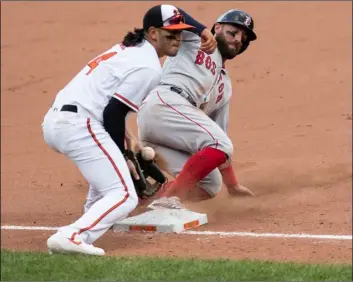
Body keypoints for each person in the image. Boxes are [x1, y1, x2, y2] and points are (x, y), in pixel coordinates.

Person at [42, 4, 216, 256]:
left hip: (60, 120)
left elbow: (106, 104)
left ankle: (93, 219)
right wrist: (124, 156)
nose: (177, 40)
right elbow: (112, 113)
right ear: (153, 33)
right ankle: (73, 235)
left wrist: (200, 30)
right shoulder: (148, 66)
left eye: (180, 33)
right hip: (81, 125)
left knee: (108, 180)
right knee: (125, 194)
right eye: (171, 34)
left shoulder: (129, 48)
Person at [137, 9, 257, 208]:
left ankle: (144, 198)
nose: (238, 40)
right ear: (217, 28)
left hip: (163, 136)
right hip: (164, 102)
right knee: (221, 144)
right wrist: (202, 30)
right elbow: (168, 10)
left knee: (211, 184)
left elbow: (220, 146)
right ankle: (170, 200)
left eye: (244, 38)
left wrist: (232, 186)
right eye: (233, 32)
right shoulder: (194, 41)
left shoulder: (225, 87)